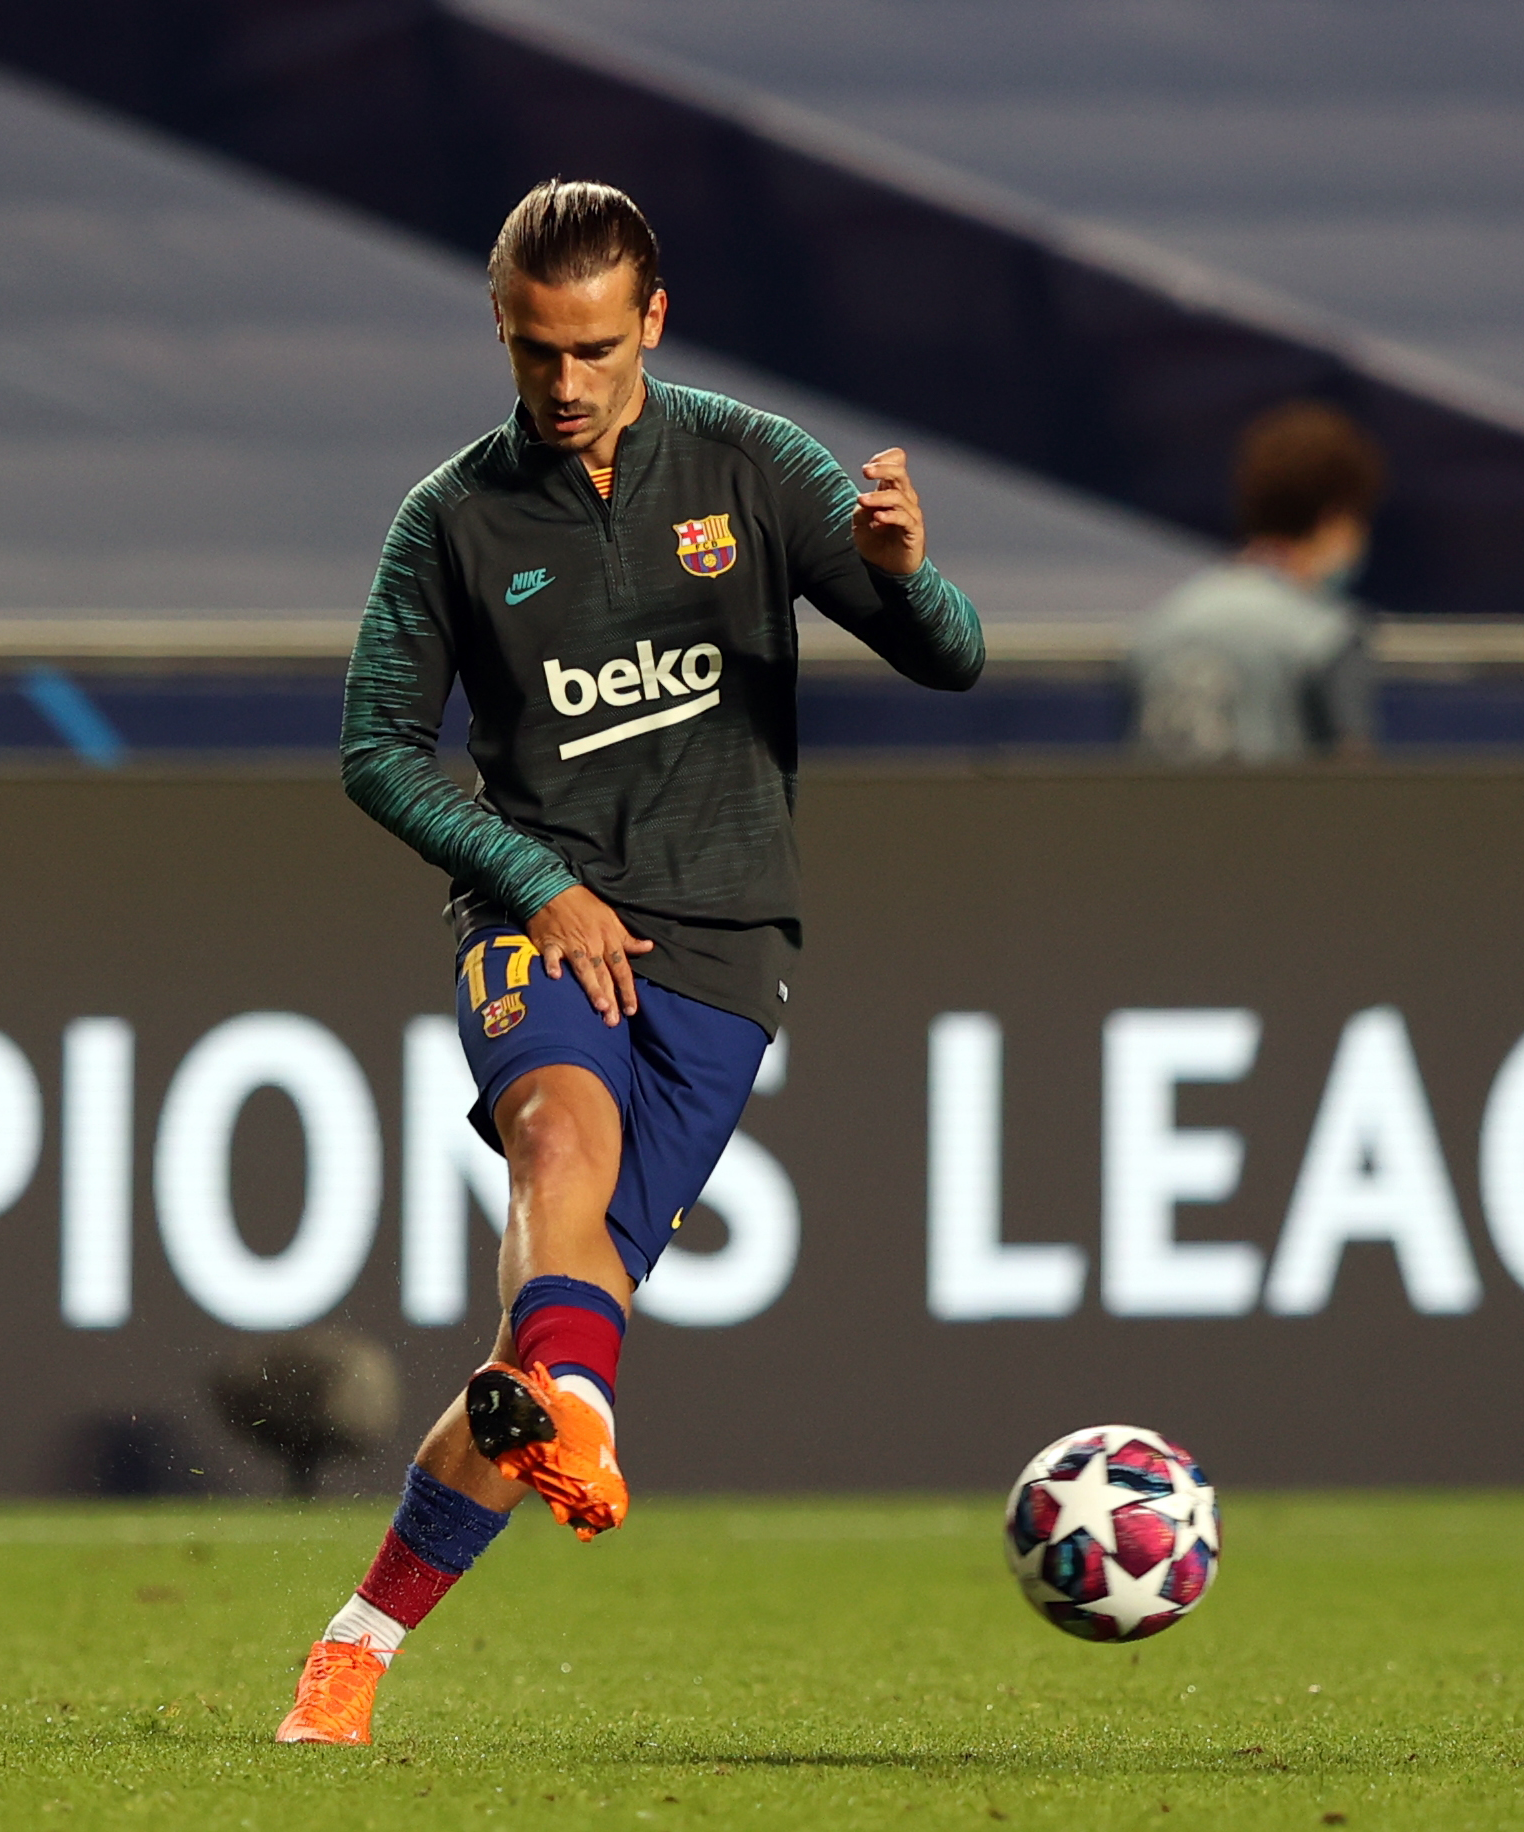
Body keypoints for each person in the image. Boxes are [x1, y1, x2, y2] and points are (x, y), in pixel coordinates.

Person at [275, 179, 984, 1745]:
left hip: (728, 941)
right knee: (557, 1141)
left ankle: (362, 1637)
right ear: (503, 327)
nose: (568, 382)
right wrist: (533, 880)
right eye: (538, 351)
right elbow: (376, 753)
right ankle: (582, 1412)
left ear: (651, 321)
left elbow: (952, 656)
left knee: (552, 1319)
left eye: (595, 347)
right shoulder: (452, 518)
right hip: (540, 919)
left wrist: (907, 570)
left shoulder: (749, 466)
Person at [1127, 401, 1387, 764]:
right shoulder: (1326, 636)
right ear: (1336, 521)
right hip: (1284, 821)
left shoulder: (1157, 627)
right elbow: (1354, 779)